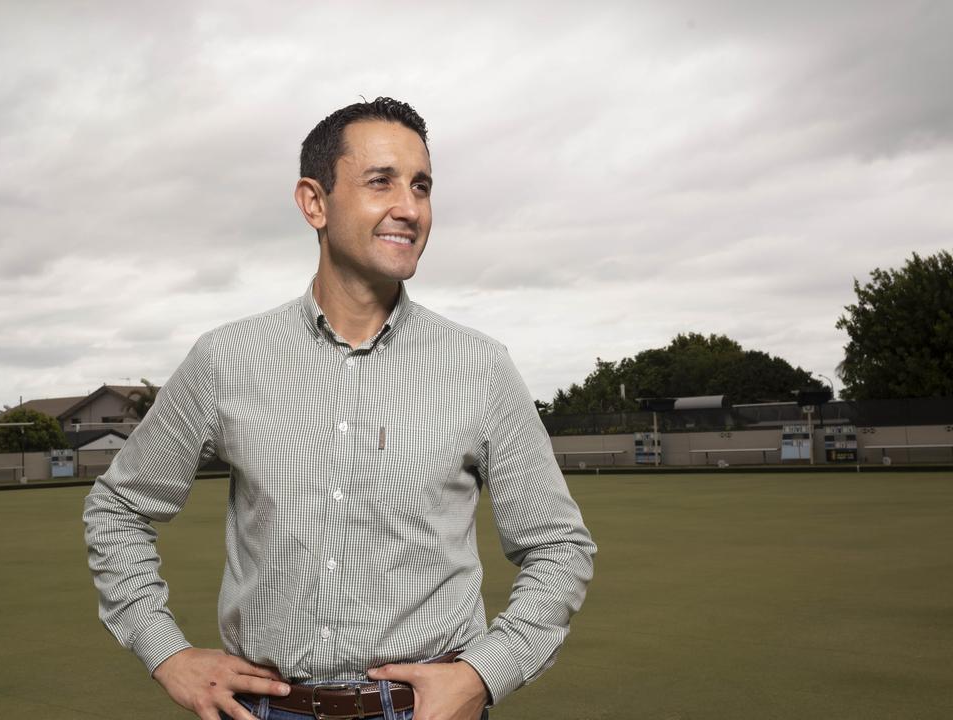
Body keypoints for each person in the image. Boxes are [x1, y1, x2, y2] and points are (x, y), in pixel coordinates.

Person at [84, 97, 595, 720]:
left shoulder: (480, 367)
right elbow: (118, 508)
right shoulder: (227, 360)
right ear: (314, 202)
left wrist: (483, 675)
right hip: (270, 710)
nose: (409, 208)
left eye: (422, 186)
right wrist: (166, 654)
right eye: (381, 182)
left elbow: (558, 547)